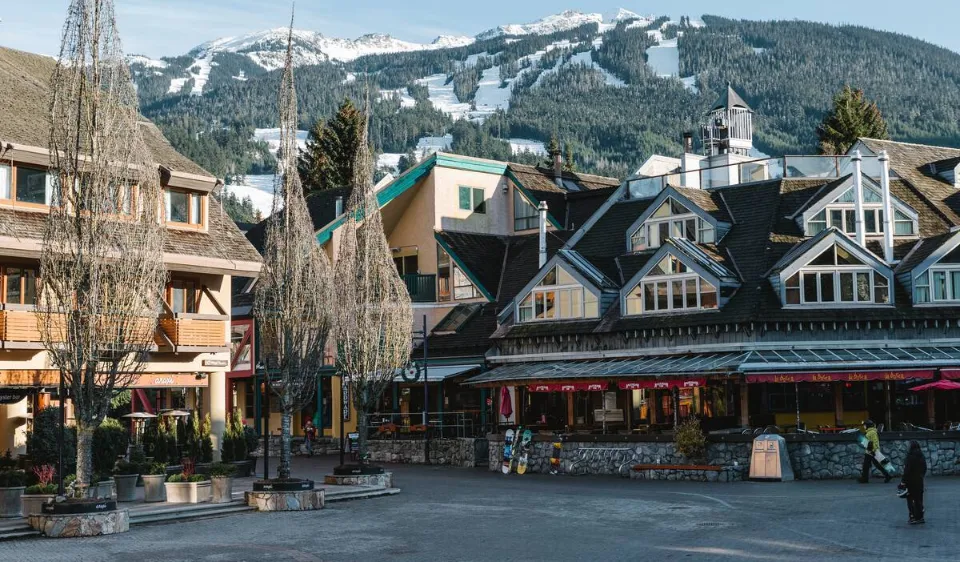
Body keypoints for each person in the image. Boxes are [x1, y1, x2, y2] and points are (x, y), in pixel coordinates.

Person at [902, 440, 927, 524]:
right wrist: (921, 476)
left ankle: (913, 517)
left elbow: (907, 471)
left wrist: (903, 482)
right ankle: (920, 517)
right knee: (919, 499)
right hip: (919, 480)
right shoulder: (921, 456)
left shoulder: (910, 457)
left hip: (910, 481)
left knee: (911, 499)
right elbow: (924, 468)